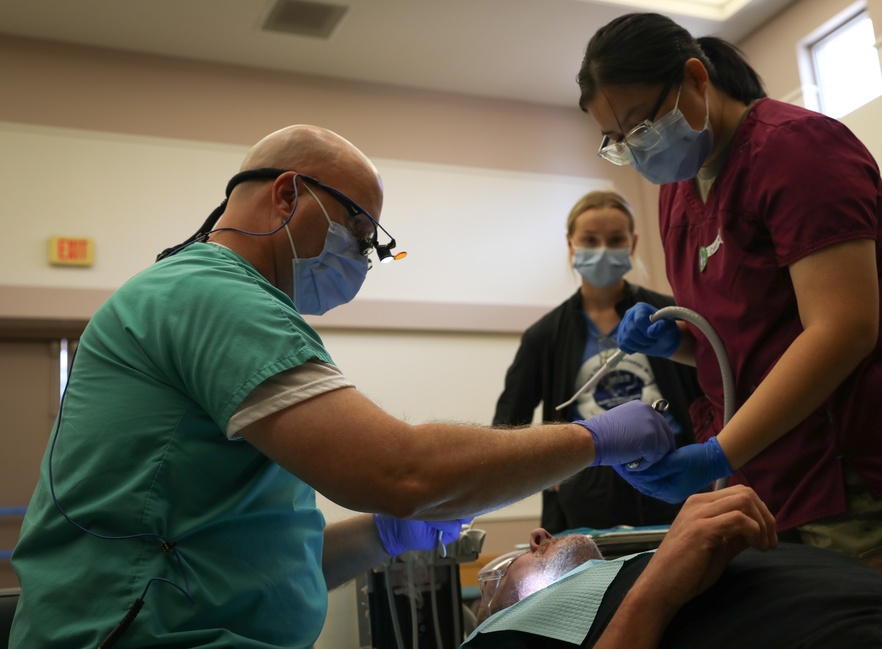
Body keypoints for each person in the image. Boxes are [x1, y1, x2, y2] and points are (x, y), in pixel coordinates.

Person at [8, 125, 680, 648]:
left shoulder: (224, 308)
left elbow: (259, 564)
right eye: (359, 231)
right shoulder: (213, 296)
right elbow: (401, 466)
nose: (362, 256)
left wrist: (383, 534)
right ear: (286, 193)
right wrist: (597, 437)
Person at [572, 12, 882, 577]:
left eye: (641, 127)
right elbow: (744, 338)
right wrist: (672, 341)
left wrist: (721, 452)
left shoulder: (797, 151)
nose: (637, 148)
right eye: (619, 142)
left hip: (878, 471)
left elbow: (842, 328)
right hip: (780, 477)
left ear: (696, 79)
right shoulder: (680, 193)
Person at [463, 486, 882, 649]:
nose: (537, 535)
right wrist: (653, 596)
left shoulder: (644, 564)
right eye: (502, 572)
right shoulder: (495, 642)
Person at [493, 190, 702, 533]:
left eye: (615, 239)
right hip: (585, 491)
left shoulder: (668, 316)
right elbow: (505, 427)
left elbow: (714, 387)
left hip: (672, 472)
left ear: (632, 244)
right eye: (590, 239)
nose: (603, 249)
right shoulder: (543, 337)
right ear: (571, 243)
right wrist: (540, 473)